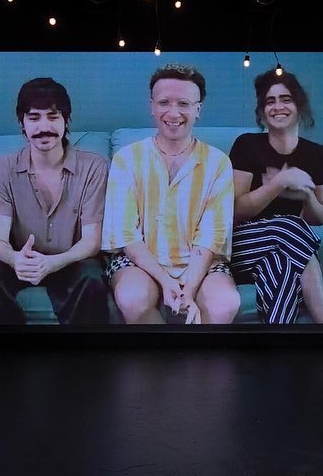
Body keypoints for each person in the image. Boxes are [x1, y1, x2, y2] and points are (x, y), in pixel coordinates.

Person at [102, 63, 240, 324]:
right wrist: (166, 281)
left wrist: (189, 289)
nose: (173, 113)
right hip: (138, 262)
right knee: (132, 297)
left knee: (225, 303)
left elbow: (211, 235)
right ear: (152, 106)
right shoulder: (127, 159)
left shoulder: (218, 163)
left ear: (198, 110)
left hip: (201, 263)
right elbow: (126, 233)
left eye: (184, 104)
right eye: (164, 102)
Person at [0, 78, 109, 324]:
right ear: (22, 124)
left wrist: (54, 263)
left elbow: (91, 241)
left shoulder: (93, 167)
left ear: (66, 121)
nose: (44, 127)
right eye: (34, 118)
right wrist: (15, 259)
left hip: (72, 259)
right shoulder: (4, 168)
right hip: (21, 259)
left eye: (53, 117)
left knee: (92, 277)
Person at [228, 70, 323, 324]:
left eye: (285, 99)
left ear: (299, 105)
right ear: (262, 111)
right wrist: (279, 183)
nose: (278, 107)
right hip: (243, 245)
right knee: (288, 225)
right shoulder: (246, 145)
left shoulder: (317, 155)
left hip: (289, 247)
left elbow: (321, 216)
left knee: (282, 269)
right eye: (270, 101)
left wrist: (306, 195)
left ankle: (275, 342)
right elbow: (234, 212)